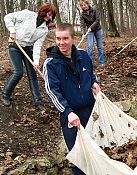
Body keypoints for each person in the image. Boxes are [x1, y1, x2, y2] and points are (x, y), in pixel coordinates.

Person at [43, 23, 100, 175]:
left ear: (73, 39)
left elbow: (91, 74)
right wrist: (68, 112)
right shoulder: (50, 64)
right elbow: (52, 91)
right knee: (79, 159)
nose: (61, 43)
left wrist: (94, 82)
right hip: (70, 117)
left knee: (96, 151)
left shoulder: (83, 56)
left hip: (90, 111)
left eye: (65, 38)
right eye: (58, 39)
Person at [1, 3, 57, 112]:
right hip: (14, 45)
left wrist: (36, 61)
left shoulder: (44, 29)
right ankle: (5, 94)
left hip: (28, 48)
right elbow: (7, 17)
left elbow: (37, 45)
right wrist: (12, 30)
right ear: (43, 10)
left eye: (51, 16)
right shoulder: (27, 14)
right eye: (49, 14)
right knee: (18, 72)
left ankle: (38, 101)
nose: (49, 18)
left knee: (32, 74)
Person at [79, 0, 104, 65]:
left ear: (88, 4)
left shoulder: (94, 10)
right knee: (90, 46)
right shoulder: (82, 14)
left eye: (85, 5)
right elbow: (82, 24)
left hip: (98, 29)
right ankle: (89, 63)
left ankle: (101, 62)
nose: (83, 6)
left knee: (100, 46)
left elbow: (97, 20)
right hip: (90, 31)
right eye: (82, 5)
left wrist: (91, 27)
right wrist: (83, 33)